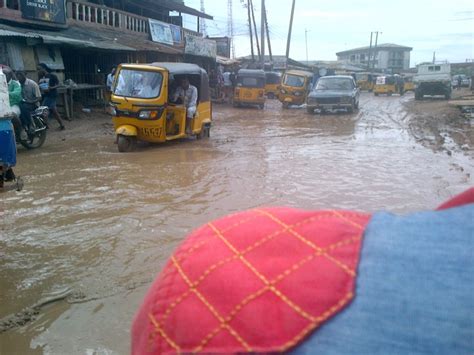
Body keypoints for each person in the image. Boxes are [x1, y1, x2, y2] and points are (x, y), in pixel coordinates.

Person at [38, 63, 66, 130]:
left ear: (44, 68)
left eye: (39, 69)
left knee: (44, 109)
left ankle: (46, 125)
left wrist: (52, 87)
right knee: (53, 110)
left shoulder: (52, 76)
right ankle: (61, 125)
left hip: (52, 94)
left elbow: (59, 84)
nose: (38, 70)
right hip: (47, 95)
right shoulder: (41, 77)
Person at [16, 71, 41, 135]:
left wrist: (31, 101)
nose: (19, 77)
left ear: (25, 74)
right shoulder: (17, 85)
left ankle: (30, 125)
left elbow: (39, 97)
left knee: (23, 107)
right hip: (23, 103)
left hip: (33, 104)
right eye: (17, 75)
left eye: (21, 75)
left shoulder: (32, 84)